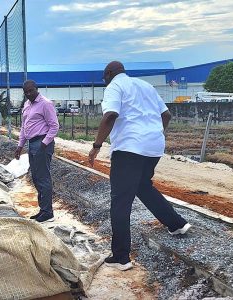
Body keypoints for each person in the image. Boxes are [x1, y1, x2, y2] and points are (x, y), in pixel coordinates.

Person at [88, 61, 192, 271]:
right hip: (153, 146)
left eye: (104, 77)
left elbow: (110, 115)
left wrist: (96, 146)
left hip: (129, 148)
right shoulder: (145, 86)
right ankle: (177, 224)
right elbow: (166, 115)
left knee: (120, 200)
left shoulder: (114, 87)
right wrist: (153, 133)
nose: (105, 80)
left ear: (108, 74)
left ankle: (120, 257)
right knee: (143, 186)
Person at [14, 80, 59, 223]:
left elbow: (54, 126)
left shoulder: (46, 104)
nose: (28, 94)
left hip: (42, 142)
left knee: (43, 177)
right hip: (31, 143)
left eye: (30, 91)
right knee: (36, 178)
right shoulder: (27, 105)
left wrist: (44, 144)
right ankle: (43, 210)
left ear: (36, 89)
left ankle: (48, 213)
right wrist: (20, 146)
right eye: (26, 92)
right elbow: (24, 127)